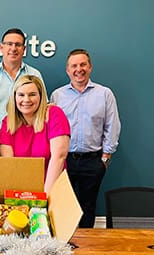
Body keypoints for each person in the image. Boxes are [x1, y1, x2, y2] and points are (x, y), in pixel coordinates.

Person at [50, 49, 121, 228]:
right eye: (74, 66)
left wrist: (105, 158)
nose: (78, 69)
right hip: (64, 161)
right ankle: (65, 246)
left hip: (93, 161)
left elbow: (112, 126)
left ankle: (87, 246)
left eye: (83, 65)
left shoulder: (104, 94)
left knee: (87, 207)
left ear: (90, 67)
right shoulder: (57, 96)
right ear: (67, 70)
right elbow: (50, 128)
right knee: (62, 206)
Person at [0, 28, 47, 152]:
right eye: (9, 44)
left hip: (30, 143)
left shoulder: (35, 74)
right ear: (1, 47)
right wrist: (2, 139)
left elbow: (42, 108)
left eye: (18, 45)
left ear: (24, 49)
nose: (13, 48)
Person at [0, 75, 70, 195]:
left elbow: (59, 157)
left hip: (53, 188)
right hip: (21, 191)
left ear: (41, 97)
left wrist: (44, 197)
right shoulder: (8, 122)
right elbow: (9, 165)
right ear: (14, 98)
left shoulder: (54, 114)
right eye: (21, 95)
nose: (26, 100)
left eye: (32, 94)